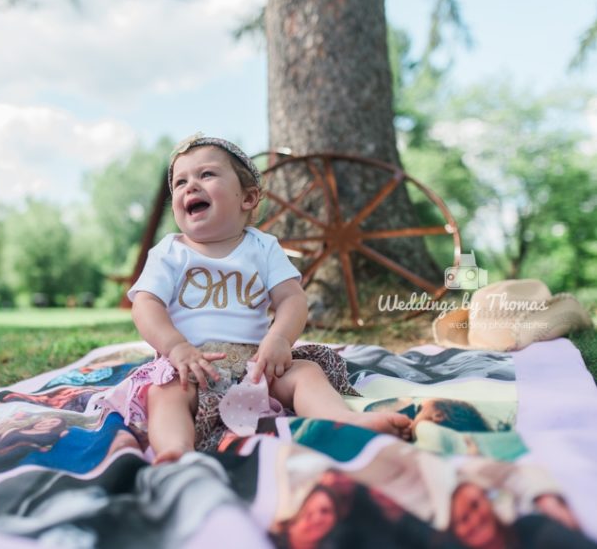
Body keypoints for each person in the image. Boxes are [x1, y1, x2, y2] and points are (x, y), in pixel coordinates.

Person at [98, 134, 411, 463]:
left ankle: (345, 421)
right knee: (165, 394)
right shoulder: (170, 253)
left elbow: (292, 298)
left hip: (256, 365)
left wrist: (278, 338)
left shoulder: (263, 247)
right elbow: (146, 305)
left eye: (206, 174)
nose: (190, 186)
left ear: (247, 198)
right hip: (191, 365)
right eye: (180, 182)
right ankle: (176, 450)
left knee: (305, 374)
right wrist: (176, 347)